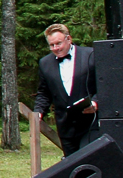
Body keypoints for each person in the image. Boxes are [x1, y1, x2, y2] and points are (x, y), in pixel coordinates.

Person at [34, 23, 98, 157]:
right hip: (65, 127)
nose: (56, 48)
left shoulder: (90, 55)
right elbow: (44, 93)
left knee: (89, 161)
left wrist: (96, 102)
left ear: (69, 39)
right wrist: (39, 111)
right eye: (52, 45)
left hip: (90, 124)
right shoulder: (45, 63)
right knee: (72, 165)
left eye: (58, 43)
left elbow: (104, 84)